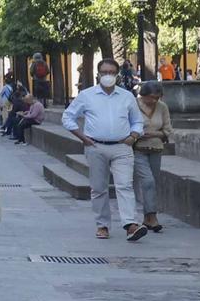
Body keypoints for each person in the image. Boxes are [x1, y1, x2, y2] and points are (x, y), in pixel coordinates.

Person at [62, 58, 148, 242]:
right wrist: (83, 137)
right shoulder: (87, 95)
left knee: (124, 185)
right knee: (99, 188)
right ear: (98, 74)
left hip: (122, 147)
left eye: (111, 72)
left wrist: (133, 136)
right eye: (104, 72)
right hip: (96, 146)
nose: (107, 76)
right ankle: (102, 225)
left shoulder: (127, 97)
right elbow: (68, 117)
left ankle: (130, 224)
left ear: (117, 75)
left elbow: (137, 120)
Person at [132, 81, 173, 234]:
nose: (154, 101)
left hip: (156, 148)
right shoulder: (133, 105)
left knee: (152, 183)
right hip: (138, 148)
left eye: (157, 97)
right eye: (151, 97)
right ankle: (153, 216)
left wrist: (155, 134)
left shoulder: (162, 107)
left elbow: (167, 129)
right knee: (147, 181)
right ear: (143, 95)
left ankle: (147, 218)